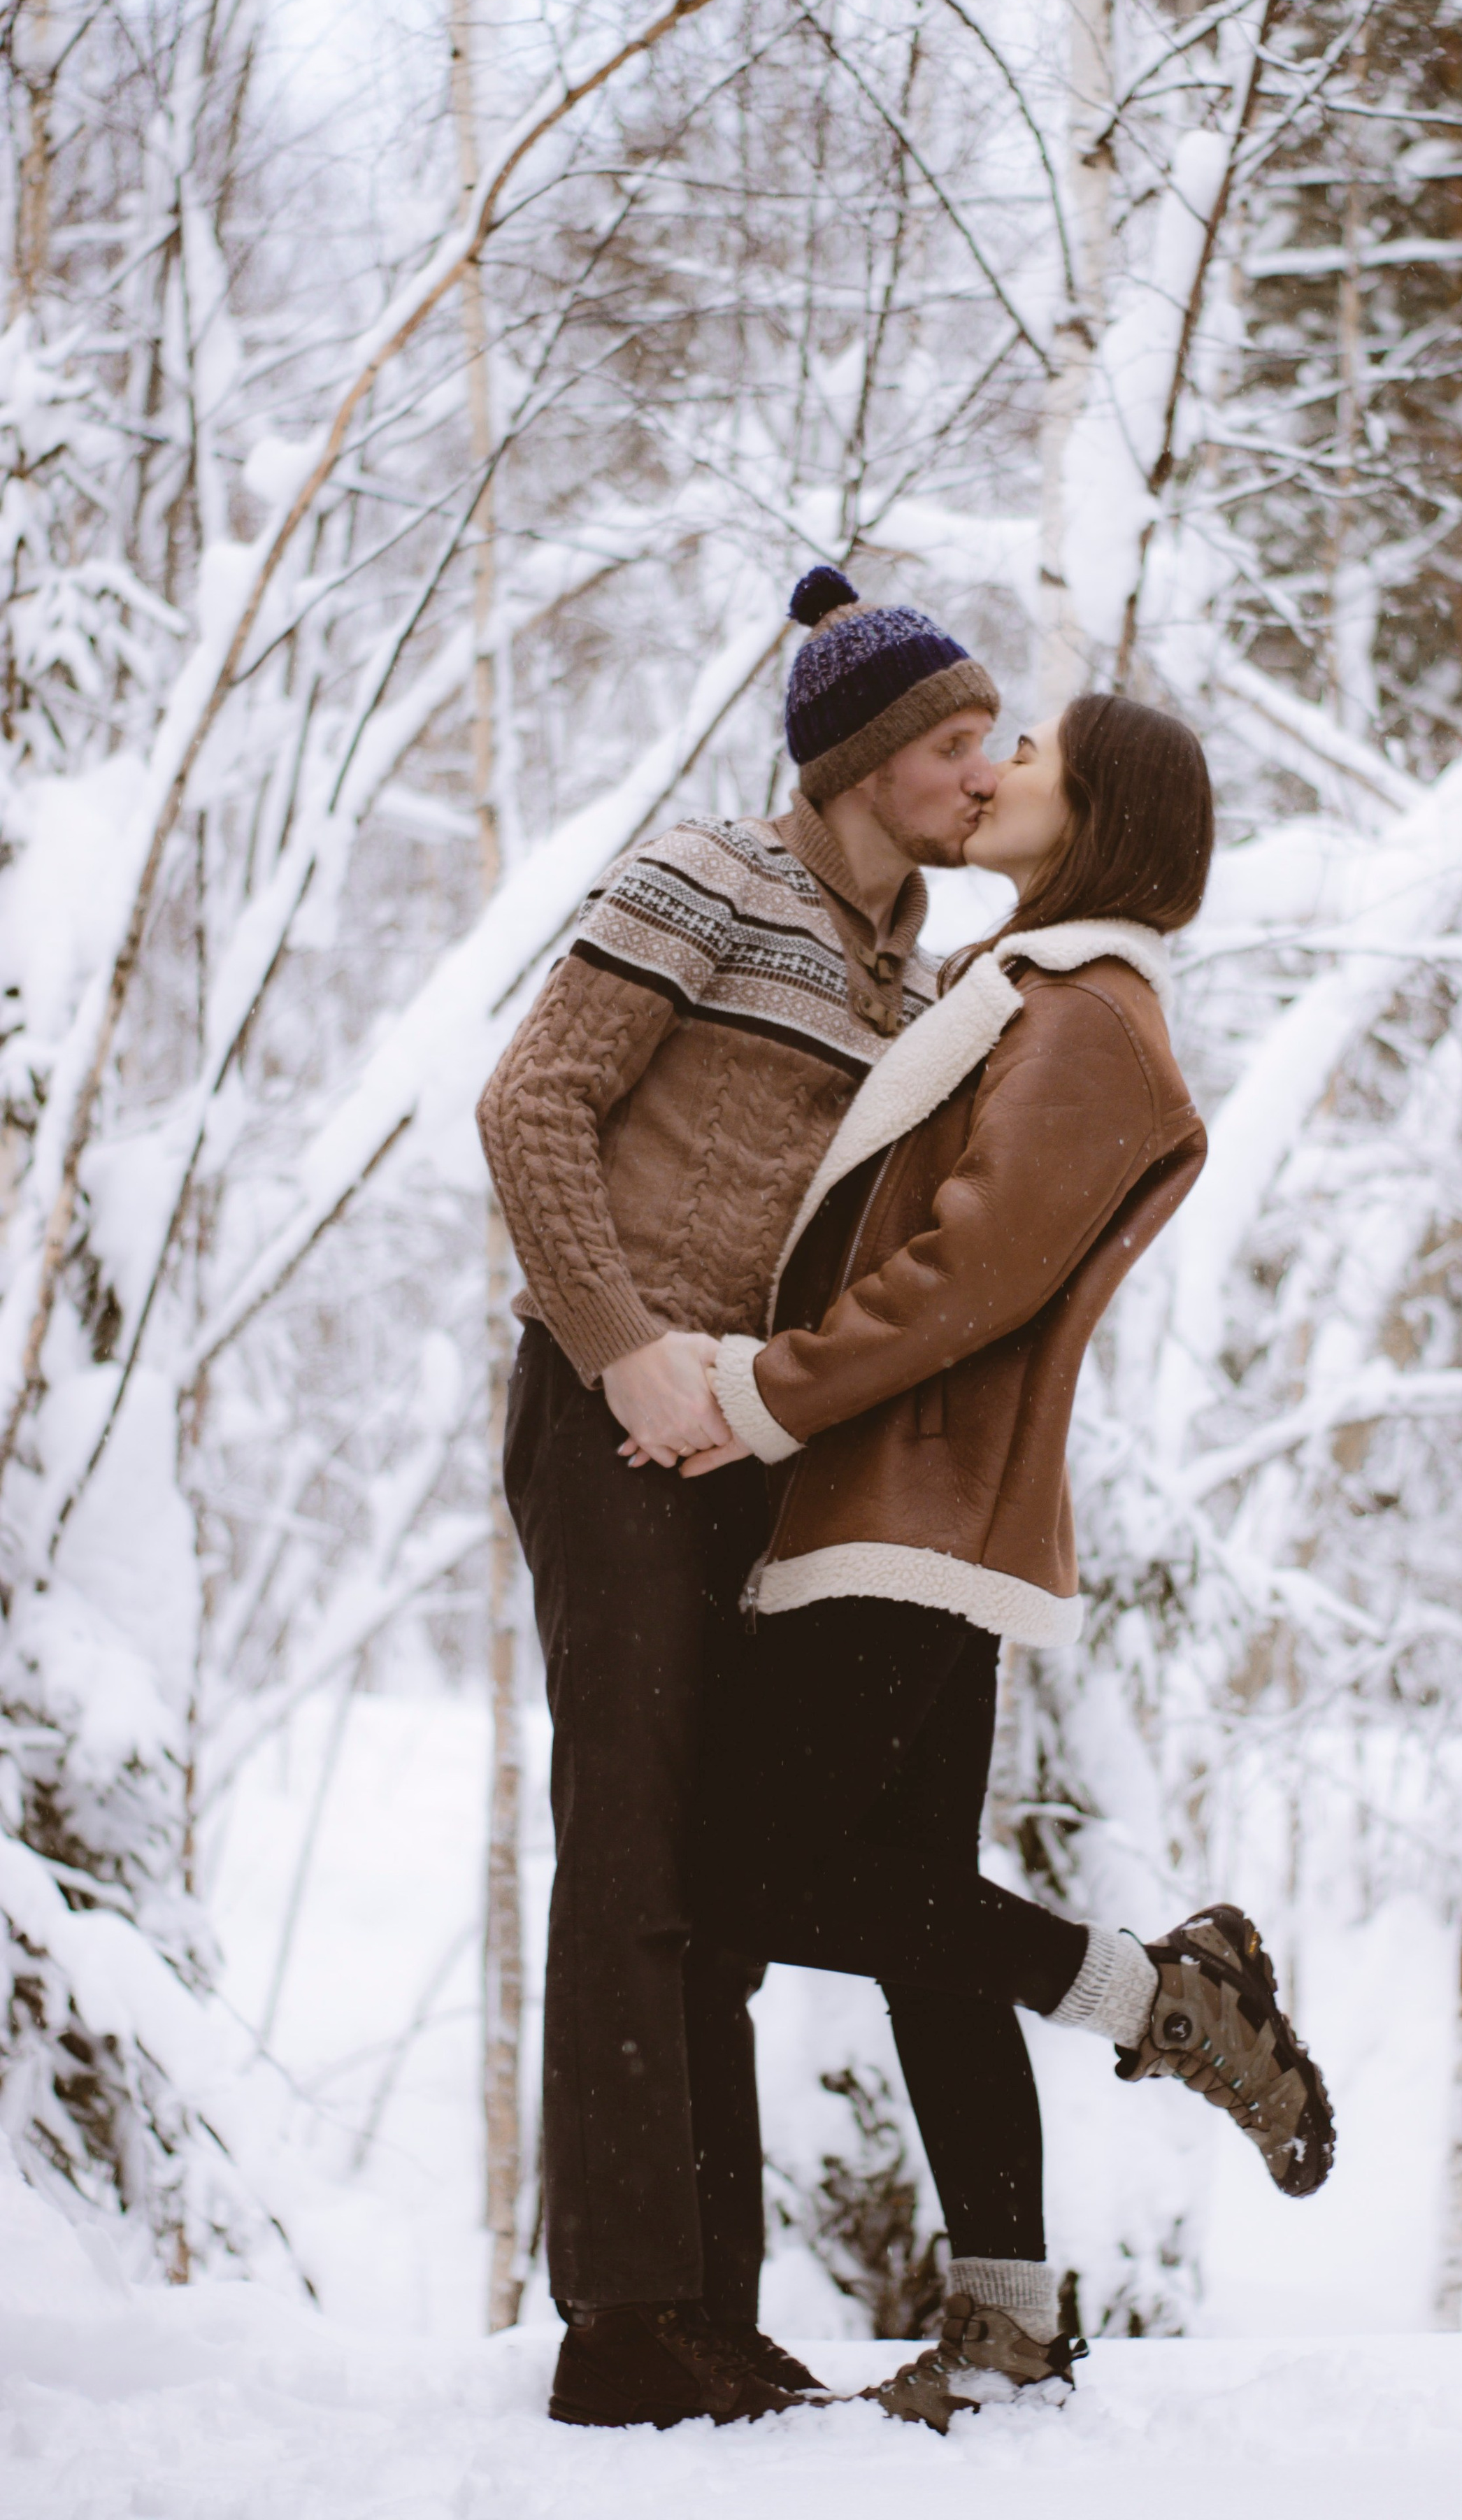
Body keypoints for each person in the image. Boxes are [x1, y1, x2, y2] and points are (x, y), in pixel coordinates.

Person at [682, 692, 1336, 2432]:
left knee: (750, 1882)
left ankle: (1164, 1998)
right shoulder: (1036, 994)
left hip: (908, 1508)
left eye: (1027, 756)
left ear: (1100, 812)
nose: (992, 773)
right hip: (899, 1504)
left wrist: (758, 1397)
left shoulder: (1095, 1024)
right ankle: (1007, 2323)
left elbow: (964, 1276)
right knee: (916, 1917)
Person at [476, 561, 1004, 2431]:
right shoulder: (708, 874)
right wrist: (619, 1344)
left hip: (744, 1454)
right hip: (607, 1409)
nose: (982, 770)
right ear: (866, 756)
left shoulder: (913, 978)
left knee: (721, 1872)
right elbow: (530, 1104)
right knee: (630, 1845)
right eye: (956, 741)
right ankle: (624, 2325)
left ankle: (714, 2307)